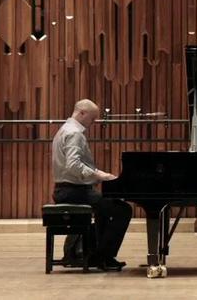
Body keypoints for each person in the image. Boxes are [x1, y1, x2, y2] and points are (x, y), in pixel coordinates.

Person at [51, 99, 132, 270]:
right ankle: (103, 256)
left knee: (106, 208)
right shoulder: (74, 133)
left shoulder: (64, 129)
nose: (93, 123)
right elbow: (73, 165)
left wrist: (98, 176)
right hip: (73, 191)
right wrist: (100, 175)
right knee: (122, 210)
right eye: (92, 119)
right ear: (82, 113)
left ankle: (96, 254)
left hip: (65, 189)